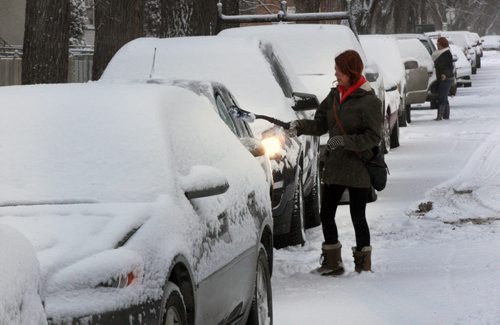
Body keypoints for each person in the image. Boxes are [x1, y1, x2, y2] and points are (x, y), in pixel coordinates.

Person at [286, 50, 382, 276]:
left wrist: (344, 141)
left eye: (339, 69)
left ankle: (363, 265)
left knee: (358, 216)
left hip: (358, 167)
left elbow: (373, 137)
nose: (335, 73)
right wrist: (299, 127)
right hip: (336, 166)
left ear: (350, 71)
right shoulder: (334, 96)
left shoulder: (369, 101)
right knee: (326, 213)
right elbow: (320, 125)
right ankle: (332, 262)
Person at [432, 37, 454, 120]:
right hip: (440, 78)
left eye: (438, 43)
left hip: (446, 78)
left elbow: (449, 67)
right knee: (443, 97)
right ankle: (445, 115)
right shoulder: (438, 53)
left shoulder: (447, 53)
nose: (437, 44)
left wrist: (445, 74)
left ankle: (440, 116)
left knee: (442, 97)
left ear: (442, 44)